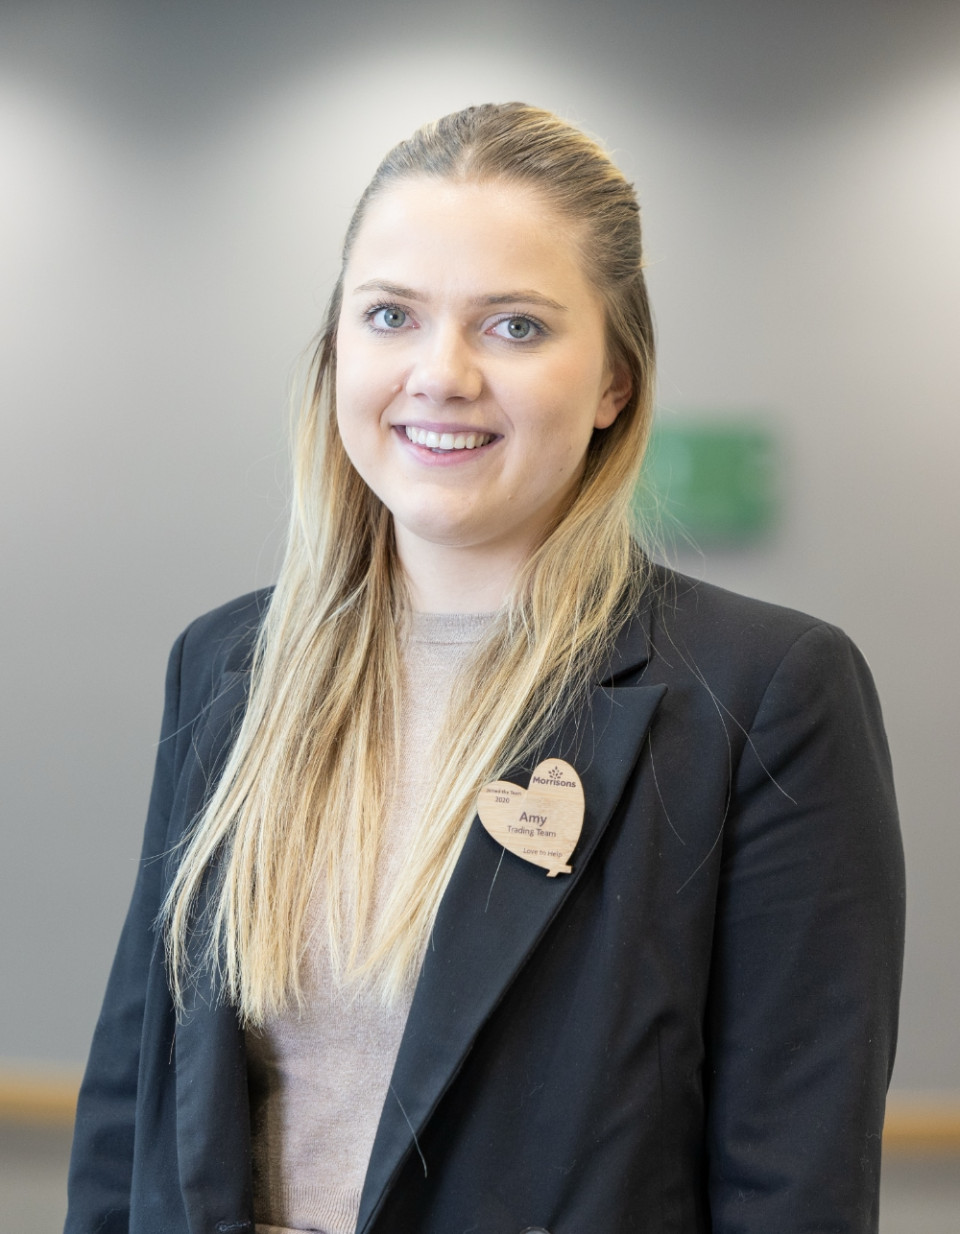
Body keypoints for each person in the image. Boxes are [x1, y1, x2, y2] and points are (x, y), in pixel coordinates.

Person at [64, 102, 905, 1234]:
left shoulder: (762, 694)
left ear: (614, 381)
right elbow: (132, 1106)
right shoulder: (226, 667)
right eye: (391, 315)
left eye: (514, 327)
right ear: (337, 349)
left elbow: (792, 1185)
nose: (440, 374)